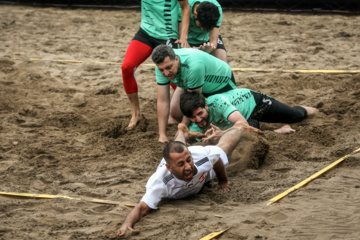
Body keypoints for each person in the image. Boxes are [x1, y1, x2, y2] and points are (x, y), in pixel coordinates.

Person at [117, 122, 261, 237]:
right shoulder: (160, 181)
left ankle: (239, 127)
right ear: (169, 168)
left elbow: (216, 159)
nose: (187, 167)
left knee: (224, 148)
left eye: (188, 160)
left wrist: (223, 180)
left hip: (204, 177)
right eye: (181, 164)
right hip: (181, 169)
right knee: (179, 148)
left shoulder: (201, 158)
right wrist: (126, 225)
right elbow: (142, 208)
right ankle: (182, 132)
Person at [121, 0, 190, 131]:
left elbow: (185, 7)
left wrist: (183, 37)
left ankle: (184, 112)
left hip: (168, 35)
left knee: (174, 76)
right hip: (146, 32)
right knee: (127, 67)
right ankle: (136, 114)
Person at [151, 44, 238, 143]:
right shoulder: (162, 66)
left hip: (221, 83)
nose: (166, 73)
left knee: (224, 115)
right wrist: (162, 135)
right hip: (192, 81)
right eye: (162, 70)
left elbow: (192, 104)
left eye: (168, 67)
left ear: (176, 59)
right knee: (175, 111)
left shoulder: (193, 66)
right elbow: (162, 100)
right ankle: (199, 126)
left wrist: (182, 130)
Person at [180, 89, 319, 143]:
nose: (198, 120)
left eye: (200, 114)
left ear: (205, 105)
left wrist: (222, 133)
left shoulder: (218, 103)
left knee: (295, 116)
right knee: (248, 142)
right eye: (193, 118)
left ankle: (312, 110)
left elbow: (241, 123)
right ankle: (277, 131)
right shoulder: (194, 124)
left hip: (255, 103)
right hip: (243, 120)